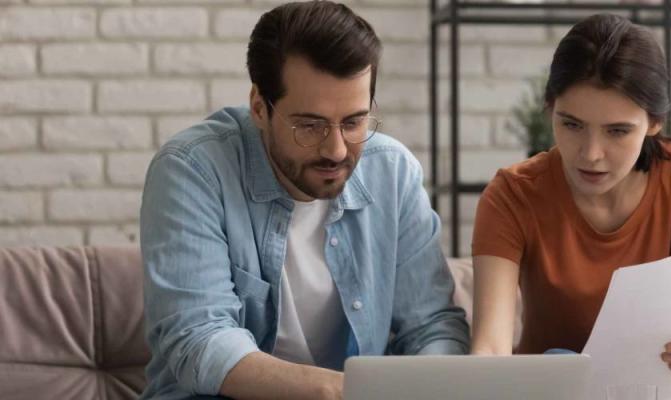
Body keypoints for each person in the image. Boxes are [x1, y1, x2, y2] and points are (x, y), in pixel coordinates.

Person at [138, 2, 469, 399]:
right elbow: (199, 339)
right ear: (260, 108)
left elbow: (432, 326)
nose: (336, 150)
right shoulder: (193, 169)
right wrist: (346, 391)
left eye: (353, 122)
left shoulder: (393, 172)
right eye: (309, 126)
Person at [469, 14, 671, 400]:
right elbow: (490, 349)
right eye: (572, 125)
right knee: (559, 360)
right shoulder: (512, 195)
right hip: (555, 391)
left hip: (655, 392)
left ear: (654, 122)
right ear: (550, 109)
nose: (591, 155)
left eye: (617, 131)